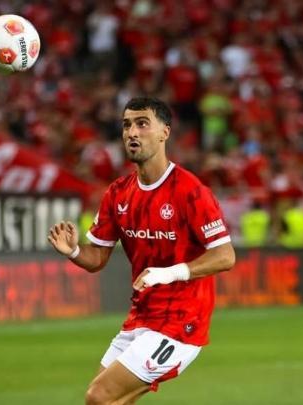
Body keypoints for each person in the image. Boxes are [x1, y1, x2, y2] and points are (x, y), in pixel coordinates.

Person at [48, 97, 235, 404]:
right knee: (106, 402)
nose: (132, 132)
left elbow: (225, 256)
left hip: (181, 323)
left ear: (165, 132)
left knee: (99, 396)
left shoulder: (190, 191)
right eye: (127, 125)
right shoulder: (118, 193)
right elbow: (97, 258)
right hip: (140, 318)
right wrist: (73, 251)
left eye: (142, 124)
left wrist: (169, 273)